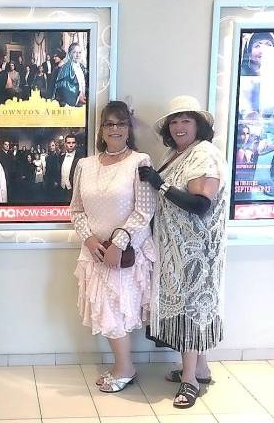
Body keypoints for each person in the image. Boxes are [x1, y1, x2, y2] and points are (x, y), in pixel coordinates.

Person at [139, 95, 227, 409]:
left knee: (192, 313)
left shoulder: (204, 154)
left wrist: (160, 184)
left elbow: (201, 204)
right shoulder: (177, 153)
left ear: (198, 124)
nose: (178, 126)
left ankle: (189, 380)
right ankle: (200, 368)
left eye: (185, 120)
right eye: (174, 121)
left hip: (196, 254)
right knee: (189, 310)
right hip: (175, 251)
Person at [71, 101, 155, 393]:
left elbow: (145, 210)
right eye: (109, 123)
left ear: (129, 129)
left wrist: (118, 244)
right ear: (102, 129)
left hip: (125, 253)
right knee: (104, 309)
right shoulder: (85, 164)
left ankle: (125, 367)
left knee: (115, 310)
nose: (115, 129)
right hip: (94, 251)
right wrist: (90, 239)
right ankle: (122, 365)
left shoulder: (139, 161)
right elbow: (76, 210)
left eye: (121, 123)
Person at [54, 42, 87, 107]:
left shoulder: (82, 67)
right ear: (70, 54)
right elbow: (63, 89)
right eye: (75, 52)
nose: (78, 55)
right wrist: (78, 97)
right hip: (71, 105)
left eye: (79, 52)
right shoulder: (65, 68)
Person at [59, 133, 83, 202]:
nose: (71, 145)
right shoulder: (61, 157)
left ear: (76, 144)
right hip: (62, 189)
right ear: (65, 144)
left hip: (73, 190)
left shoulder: (80, 157)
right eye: (69, 143)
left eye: (73, 142)